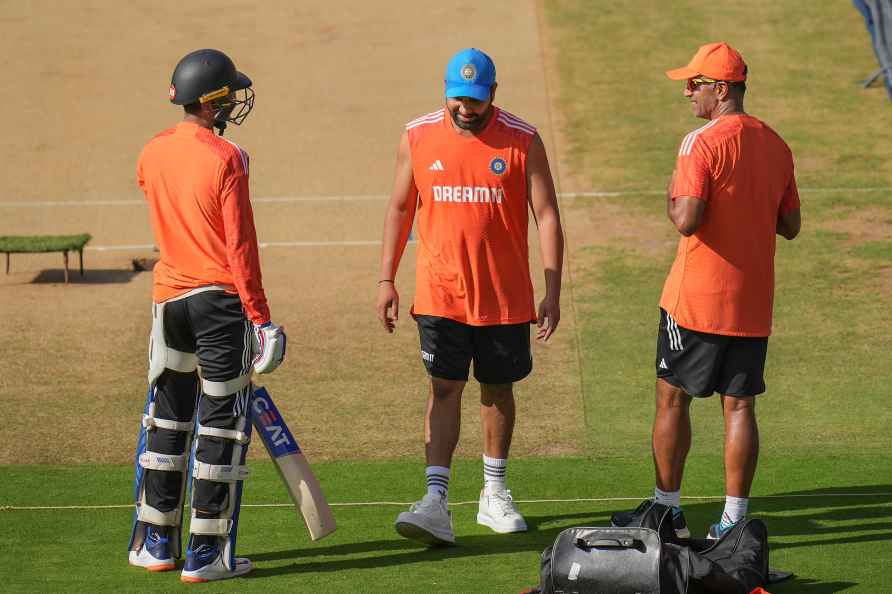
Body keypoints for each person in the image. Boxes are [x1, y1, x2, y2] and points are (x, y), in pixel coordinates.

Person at [612, 42, 801, 540]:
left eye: (694, 83)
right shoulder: (776, 144)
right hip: (752, 304)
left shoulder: (700, 143)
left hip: (695, 303)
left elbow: (687, 219)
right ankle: (733, 521)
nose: (687, 92)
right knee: (739, 407)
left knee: (671, 398)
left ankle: (666, 510)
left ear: (722, 89)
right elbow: (791, 224)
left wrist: (672, 196)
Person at [376, 48, 564, 545]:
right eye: (459, 99)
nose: (467, 108)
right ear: (445, 93)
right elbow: (399, 209)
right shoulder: (417, 136)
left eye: (476, 101)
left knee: (498, 390)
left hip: (504, 300)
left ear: (493, 95)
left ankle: (494, 492)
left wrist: (553, 289)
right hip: (441, 295)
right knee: (444, 388)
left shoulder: (523, 140)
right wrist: (386, 280)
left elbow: (546, 214)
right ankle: (435, 500)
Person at [128, 48, 286, 582]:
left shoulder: (151, 152)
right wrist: (260, 318)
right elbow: (241, 245)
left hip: (168, 300)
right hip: (219, 302)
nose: (236, 101)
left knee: (168, 419)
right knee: (221, 427)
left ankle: (156, 543)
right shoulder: (228, 157)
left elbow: (155, 195)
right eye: (230, 94)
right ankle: (206, 555)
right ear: (213, 101)